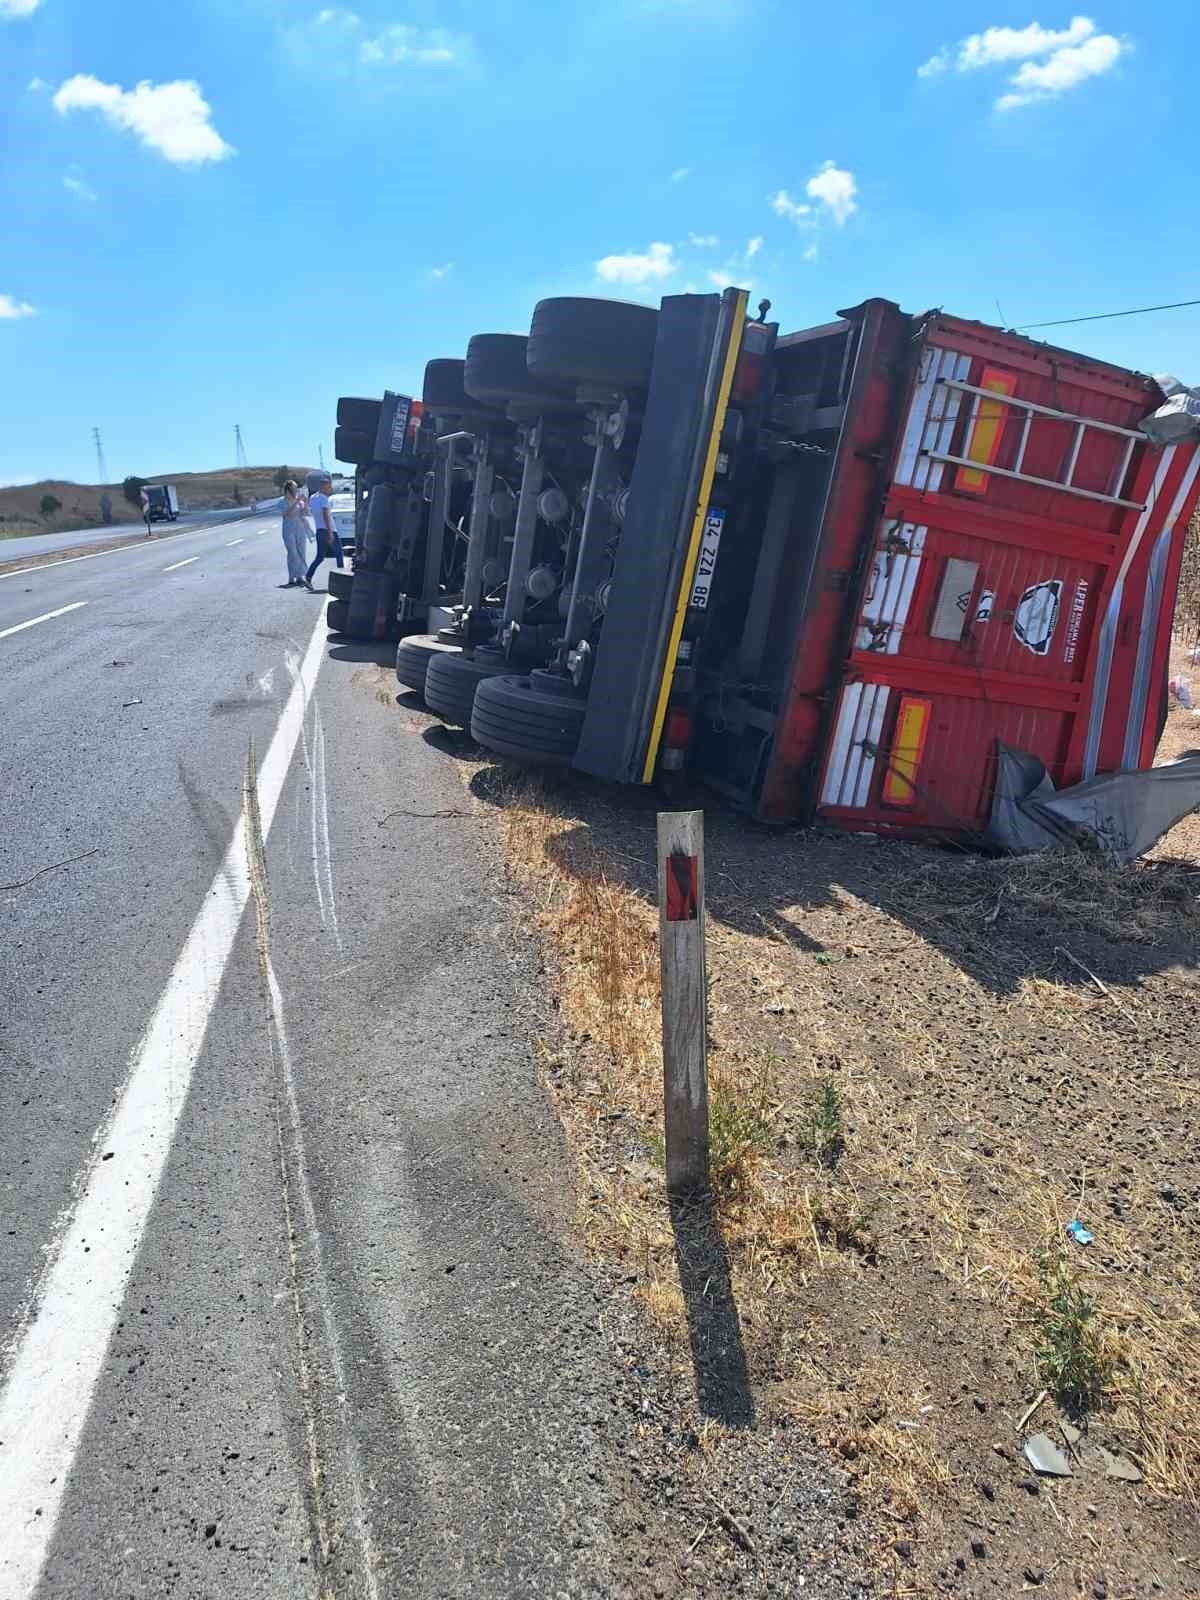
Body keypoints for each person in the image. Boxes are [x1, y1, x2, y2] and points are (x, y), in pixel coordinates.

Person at [303, 473, 343, 591]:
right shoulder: (324, 498)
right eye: (329, 486)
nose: (330, 489)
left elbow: (312, 513)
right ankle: (342, 582)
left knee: (320, 557)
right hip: (328, 530)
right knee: (339, 554)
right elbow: (325, 514)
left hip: (319, 530)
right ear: (324, 486)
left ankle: (308, 577)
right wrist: (330, 532)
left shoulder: (313, 498)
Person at [280, 480, 310, 587]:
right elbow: (288, 514)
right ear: (289, 489)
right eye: (294, 487)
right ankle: (292, 577)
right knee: (293, 553)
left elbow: (306, 513)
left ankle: (300, 576)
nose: (296, 489)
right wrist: (297, 502)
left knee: (301, 552)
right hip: (288, 530)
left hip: (300, 529)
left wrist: (305, 503)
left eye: (296, 487)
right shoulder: (283, 501)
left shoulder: (299, 501)